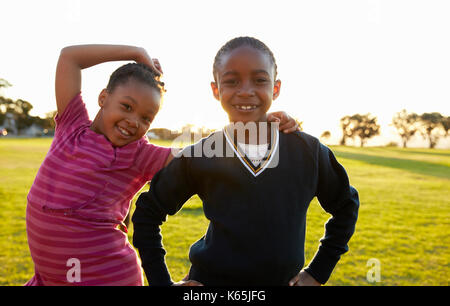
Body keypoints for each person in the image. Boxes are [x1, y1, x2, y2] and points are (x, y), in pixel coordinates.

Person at [25, 44, 299, 286]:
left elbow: (208, 153)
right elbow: (69, 57)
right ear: (103, 98)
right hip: (50, 277)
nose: (134, 121)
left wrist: (262, 124)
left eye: (146, 118)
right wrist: (134, 52)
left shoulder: (141, 155)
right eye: (127, 107)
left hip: (104, 274)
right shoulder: (72, 126)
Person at [132, 37, 360, 286]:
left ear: (276, 88)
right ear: (215, 89)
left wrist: (318, 271)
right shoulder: (202, 154)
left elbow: (346, 206)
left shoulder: (308, 152)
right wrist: (161, 282)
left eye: (260, 80)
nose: (245, 90)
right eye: (231, 81)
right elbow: (147, 213)